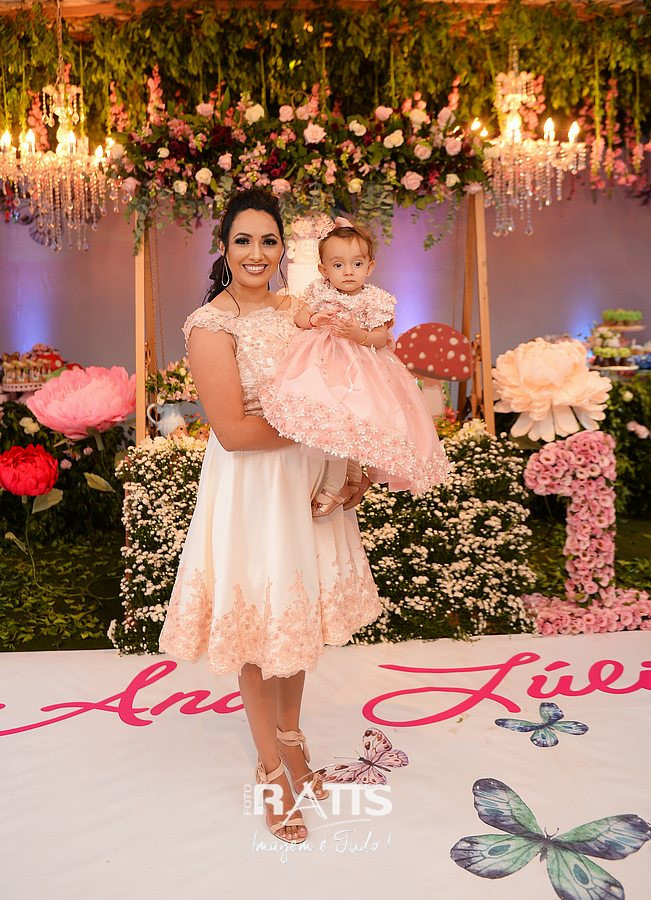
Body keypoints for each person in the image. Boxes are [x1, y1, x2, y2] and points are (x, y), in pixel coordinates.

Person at [158, 188, 383, 846]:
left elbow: (348, 382)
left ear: (285, 248)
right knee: (260, 627)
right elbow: (233, 432)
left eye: (268, 240)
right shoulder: (210, 326)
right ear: (223, 248)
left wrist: (353, 460)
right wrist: (323, 424)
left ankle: (292, 741)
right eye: (243, 241)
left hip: (306, 478)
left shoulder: (301, 310)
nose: (256, 253)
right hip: (252, 488)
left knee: (296, 615)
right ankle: (270, 770)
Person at [259, 219, 450, 516]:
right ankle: (346, 481)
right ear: (323, 270)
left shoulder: (375, 299)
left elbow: (381, 337)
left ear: (370, 267)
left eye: (357, 264)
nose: (348, 271)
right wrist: (314, 320)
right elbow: (300, 318)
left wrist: (359, 334)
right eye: (338, 265)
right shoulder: (320, 292)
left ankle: (337, 485)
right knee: (335, 426)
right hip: (322, 365)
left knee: (353, 425)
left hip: (362, 370)